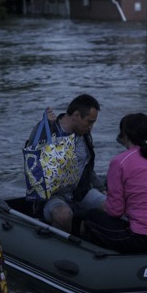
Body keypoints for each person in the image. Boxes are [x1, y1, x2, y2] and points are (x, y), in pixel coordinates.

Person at [82, 113, 147, 253]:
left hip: (145, 238)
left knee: (91, 217)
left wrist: (104, 202)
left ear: (125, 136)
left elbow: (115, 211)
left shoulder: (120, 162)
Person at [24, 94, 106, 233]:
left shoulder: (83, 134)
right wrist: (46, 127)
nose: (91, 127)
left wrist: (102, 189)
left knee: (111, 206)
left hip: (80, 192)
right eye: (89, 121)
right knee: (63, 215)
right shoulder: (48, 129)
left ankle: (91, 239)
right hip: (52, 196)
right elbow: (32, 160)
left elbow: (86, 168)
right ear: (76, 115)